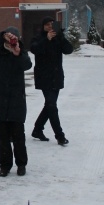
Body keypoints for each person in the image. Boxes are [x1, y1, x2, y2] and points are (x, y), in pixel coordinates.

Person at [0, 26, 33, 177]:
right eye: (9, 39)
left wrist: (17, 52)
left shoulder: (20, 52)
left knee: (18, 134)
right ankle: (5, 165)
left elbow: (27, 65)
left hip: (16, 99)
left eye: (14, 39)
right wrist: (3, 35)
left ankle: (21, 164)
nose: (11, 42)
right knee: (2, 135)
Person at [30, 16, 74, 145]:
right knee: (52, 106)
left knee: (49, 106)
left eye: (52, 24)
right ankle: (59, 135)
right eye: (47, 25)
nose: (50, 27)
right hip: (44, 78)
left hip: (56, 77)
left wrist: (61, 37)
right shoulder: (38, 38)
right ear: (43, 26)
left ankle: (37, 129)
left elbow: (69, 50)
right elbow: (35, 49)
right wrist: (46, 39)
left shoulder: (58, 39)